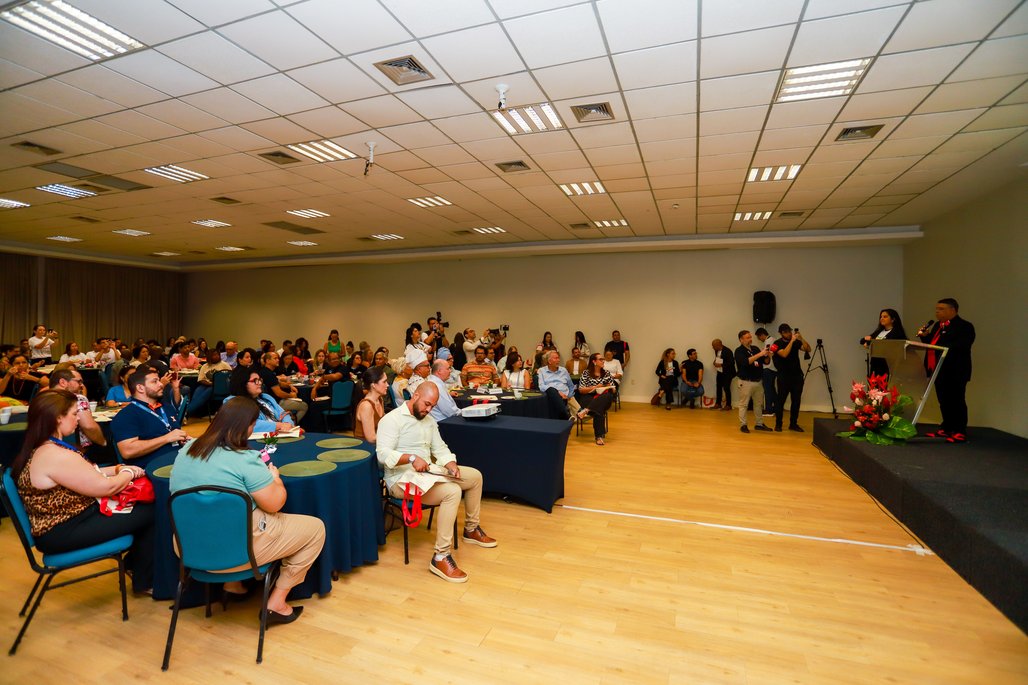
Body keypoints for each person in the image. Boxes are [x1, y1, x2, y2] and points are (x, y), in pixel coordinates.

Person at [171, 398, 325, 623]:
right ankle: (277, 602)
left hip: (189, 548)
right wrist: (276, 479)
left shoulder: (186, 451)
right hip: (240, 552)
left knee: (222, 516)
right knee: (315, 529)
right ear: (248, 426)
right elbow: (275, 504)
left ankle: (232, 584)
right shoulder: (244, 459)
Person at [13, 390, 154, 593]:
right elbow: (107, 487)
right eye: (73, 413)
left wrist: (116, 469)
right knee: (152, 511)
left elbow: (85, 472)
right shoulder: (54, 455)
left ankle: (136, 567)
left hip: (66, 521)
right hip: (63, 530)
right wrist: (128, 472)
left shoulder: (43, 447)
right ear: (57, 418)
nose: (78, 418)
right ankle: (145, 579)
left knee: (142, 509)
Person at [376, 382, 496, 583]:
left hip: (426, 473)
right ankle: (440, 556)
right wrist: (412, 458)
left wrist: (450, 464)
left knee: (475, 476)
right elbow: (382, 454)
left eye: (432, 406)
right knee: (452, 492)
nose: (428, 410)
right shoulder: (392, 420)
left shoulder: (428, 420)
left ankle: (471, 529)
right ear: (415, 395)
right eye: (427, 404)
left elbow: (439, 448)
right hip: (401, 480)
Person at [918, 298, 975, 443]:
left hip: (955, 370)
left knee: (956, 400)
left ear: (953, 310)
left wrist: (941, 342)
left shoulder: (965, 326)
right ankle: (947, 428)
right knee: (943, 401)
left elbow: (962, 346)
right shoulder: (938, 325)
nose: (937, 311)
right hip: (938, 369)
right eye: (937, 309)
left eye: (941, 309)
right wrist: (925, 337)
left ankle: (959, 430)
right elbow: (932, 345)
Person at [111, 366, 187, 467]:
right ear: (140, 388)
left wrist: (183, 439)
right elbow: (127, 451)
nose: (161, 384)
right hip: (153, 469)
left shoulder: (166, 408)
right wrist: (166, 438)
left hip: (178, 461)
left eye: (159, 380)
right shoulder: (126, 415)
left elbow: (173, 434)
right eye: (155, 381)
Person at [46, 367, 106, 449]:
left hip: (47, 449)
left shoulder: (41, 399)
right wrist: (104, 443)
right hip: (77, 450)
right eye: (79, 381)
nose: (82, 385)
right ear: (62, 382)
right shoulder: (77, 398)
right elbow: (89, 427)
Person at [226, 365, 296, 434]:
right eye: (255, 380)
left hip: (279, 434)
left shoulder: (266, 397)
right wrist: (279, 425)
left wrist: (287, 424)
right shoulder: (233, 401)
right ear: (242, 383)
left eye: (259, 380)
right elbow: (247, 424)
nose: (259, 383)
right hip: (254, 440)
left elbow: (283, 413)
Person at [772, 323, 811, 432]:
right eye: (785, 332)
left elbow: (808, 349)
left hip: (797, 376)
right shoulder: (776, 344)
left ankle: (793, 424)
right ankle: (778, 424)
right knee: (780, 401)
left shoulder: (796, 341)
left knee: (796, 401)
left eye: (789, 331)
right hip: (783, 377)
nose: (788, 334)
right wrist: (792, 341)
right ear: (780, 333)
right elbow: (784, 354)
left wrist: (801, 338)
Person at [735, 331, 773, 434]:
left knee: (758, 404)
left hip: (758, 381)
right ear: (741, 340)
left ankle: (759, 424)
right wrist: (760, 354)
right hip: (745, 382)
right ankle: (743, 425)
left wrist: (767, 355)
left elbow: (765, 362)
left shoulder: (755, 348)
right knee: (744, 404)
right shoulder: (739, 351)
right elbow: (746, 362)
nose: (750, 339)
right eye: (747, 337)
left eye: (750, 337)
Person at [576, 354, 616, 445]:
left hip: (603, 397)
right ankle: (599, 437)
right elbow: (581, 390)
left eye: (603, 359)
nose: (603, 361)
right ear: (594, 361)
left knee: (607, 396)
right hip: (588, 397)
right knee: (599, 410)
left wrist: (610, 387)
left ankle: (586, 410)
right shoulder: (586, 373)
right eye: (601, 359)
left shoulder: (606, 373)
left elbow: (613, 389)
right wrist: (595, 387)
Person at [257, 352, 307, 423]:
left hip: (270, 401)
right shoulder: (268, 374)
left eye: (278, 358)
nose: (278, 360)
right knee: (304, 406)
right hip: (275, 403)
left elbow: (278, 383)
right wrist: (291, 395)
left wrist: (289, 385)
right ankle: (292, 424)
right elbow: (279, 393)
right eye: (275, 358)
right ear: (268, 361)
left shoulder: (266, 371)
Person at [862, 308, 908, 377]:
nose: (882, 318)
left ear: (893, 319)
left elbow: (886, 344)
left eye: (885, 317)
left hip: (888, 366)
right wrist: (867, 341)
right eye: (881, 317)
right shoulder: (879, 331)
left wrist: (870, 342)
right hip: (876, 364)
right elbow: (862, 340)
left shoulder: (897, 332)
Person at [537, 351, 580, 420]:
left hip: (565, 398)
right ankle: (568, 415)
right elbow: (541, 386)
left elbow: (571, 386)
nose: (558, 360)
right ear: (549, 361)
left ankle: (571, 414)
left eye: (558, 358)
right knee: (551, 389)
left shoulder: (564, 370)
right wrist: (558, 392)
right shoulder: (542, 371)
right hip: (551, 397)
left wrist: (569, 395)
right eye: (556, 358)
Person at [188, 349, 232, 415]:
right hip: (206, 385)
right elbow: (201, 379)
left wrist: (214, 384)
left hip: (219, 387)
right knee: (197, 393)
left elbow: (229, 379)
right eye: (214, 355)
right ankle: (190, 411)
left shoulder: (225, 365)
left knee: (203, 395)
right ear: (209, 356)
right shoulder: (205, 366)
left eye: (217, 354)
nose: (216, 356)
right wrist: (210, 383)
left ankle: (187, 411)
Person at [354, 366, 388, 443]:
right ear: (373, 385)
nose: (387, 385)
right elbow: (371, 438)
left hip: (377, 444)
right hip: (365, 449)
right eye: (384, 382)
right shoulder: (367, 406)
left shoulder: (380, 399)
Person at [755, 328, 777, 417]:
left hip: (768, 368)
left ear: (762, 335)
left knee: (768, 390)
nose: (759, 339)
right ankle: (777, 406)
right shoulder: (774, 339)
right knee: (772, 389)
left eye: (759, 337)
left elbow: (766, 354)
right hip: (774, 368)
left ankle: (769, 409)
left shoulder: (768, 342)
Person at [711, 338, 736, 411]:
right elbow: (718, 358)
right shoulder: (716, 350)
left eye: (713, 346)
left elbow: (731, 363)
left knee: (726, 388)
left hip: (728, 373)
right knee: (718, 387)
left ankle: (728, 405)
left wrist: (721, 365)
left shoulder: (728, 351)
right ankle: (718, 403)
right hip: (720, 372)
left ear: (719, 345)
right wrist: (714, 362)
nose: (713, 348)